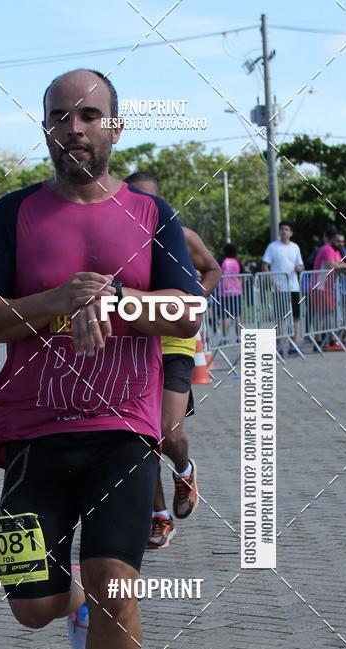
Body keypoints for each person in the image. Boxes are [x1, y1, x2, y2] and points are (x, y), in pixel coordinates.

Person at [0, 68, 203, 649]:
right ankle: (76, 608)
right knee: (32, 604)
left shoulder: (150, 215)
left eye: (90, 115)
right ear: (46, 129)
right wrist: (58, 302)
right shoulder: (12, 214)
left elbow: (187, 315)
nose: (76, 127)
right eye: (61, 117)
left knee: (116, 581)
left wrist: (121, 305)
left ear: (115, 127)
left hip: (124, 428)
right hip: (33, 430)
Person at [123, 172, 220, 550]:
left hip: (176, 341)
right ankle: (159, 518)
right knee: (139, 438)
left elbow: (212, 269)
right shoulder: (119, 241)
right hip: (135, 342)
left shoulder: (182, 234)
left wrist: (196, 297)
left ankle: (184, 470)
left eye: (149, 202)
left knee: (167, 432)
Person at [262, 221, 304, 355]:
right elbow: (265, 265)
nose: (283, 231)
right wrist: (273, 282)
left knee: (296, 317)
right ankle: (279, 345)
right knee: (280, 318)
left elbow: (300, 264)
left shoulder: (295, 247)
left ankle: (293, 345)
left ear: (291, 233)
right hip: (279, 288)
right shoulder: (273, 247)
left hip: (294, 287)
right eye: (281, 229)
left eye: (286, 229)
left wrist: (299, 268)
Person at [312, 227, 346, 351]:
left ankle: (324, 342)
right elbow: (331, 265)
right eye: (338, 241)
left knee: (326, 314)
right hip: (319, 285)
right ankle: (321, 342)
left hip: (327, 287)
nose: (341, 244)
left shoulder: (337, 251)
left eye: (343, 242)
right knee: (324, 314)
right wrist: (345, 265)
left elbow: (341, 268)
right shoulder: (327, 249)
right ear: (332, 239)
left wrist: (343, 266)